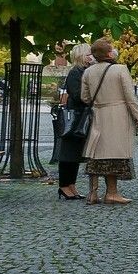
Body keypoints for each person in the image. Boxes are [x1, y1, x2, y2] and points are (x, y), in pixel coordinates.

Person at [81, 38, 138, 205]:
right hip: (118, 116)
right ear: (109, 53)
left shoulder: (88, 71)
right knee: (114, 155)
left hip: (98, 114)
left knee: (96, 153)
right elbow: (130, 96)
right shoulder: (120, 69)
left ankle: (93, 193)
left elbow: (85, 97)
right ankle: (112, 192)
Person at [56, 44, 94, 200]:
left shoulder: (85, 71)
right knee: (68, 152)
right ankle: (64, 185)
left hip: (81, 116)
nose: (91, 56)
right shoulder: (75, 72)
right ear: (81, 55)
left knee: (75, 153)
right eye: (89, 54)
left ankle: (71, 184)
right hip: (74, 117)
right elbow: (78, 95)